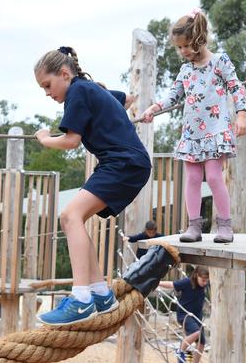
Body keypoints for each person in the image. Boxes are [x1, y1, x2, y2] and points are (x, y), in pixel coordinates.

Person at [33, 46, 151, 326]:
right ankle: (100, 293)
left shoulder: (77, 92)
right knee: (76, 219)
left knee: (68, 215)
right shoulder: (90, 89)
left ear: (64, 73)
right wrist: (123, 104)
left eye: (47, 85)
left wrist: (44, 138)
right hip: (127, 163)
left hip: (122, 163)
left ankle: (81, 298)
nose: (47, 93)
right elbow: (123, 99)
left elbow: (72, 141)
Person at [142, 8, 246, 243]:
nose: (183, 51)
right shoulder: (186, 70)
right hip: (192, 133)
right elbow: (174, 95)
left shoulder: (220, 61)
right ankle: (193, 226)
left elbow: (236, 87)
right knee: (190, 179)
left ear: (199, 39)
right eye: (179, 47)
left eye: (186, 46)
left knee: (213, 177)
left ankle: (224, 226)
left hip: (215, 130)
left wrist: (241, 115)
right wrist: (154, 108)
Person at [159, 266, 210, 363]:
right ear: (196, 276)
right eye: (203, 280)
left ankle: (194, 361)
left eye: (206, 281)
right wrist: (158, 283)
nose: (205, 283)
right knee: (196, 333)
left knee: (201, 342)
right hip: (185, 315)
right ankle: (180, 351)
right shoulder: (187, 282)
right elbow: (171, 284)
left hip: (197, 317)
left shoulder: (205, 285)